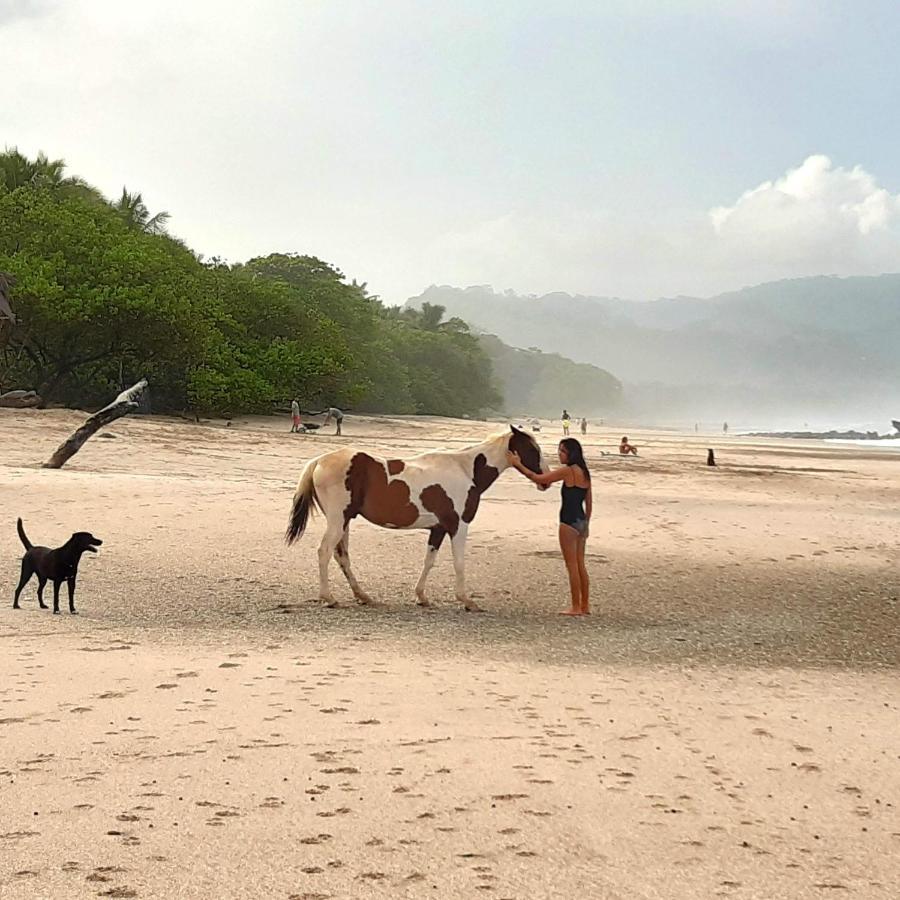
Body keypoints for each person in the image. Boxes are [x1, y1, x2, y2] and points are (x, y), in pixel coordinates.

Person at [507, 437, 592, 616]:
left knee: (572, 566)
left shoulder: (567, 471)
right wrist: (587, 524)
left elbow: (537, 478)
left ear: (570, 453)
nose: (559, 454)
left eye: (562, 451)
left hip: (568, 522)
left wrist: (517, 464)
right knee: (580, 565)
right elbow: (589, 502)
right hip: (581, 520)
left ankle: (575, 606)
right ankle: (585, 605)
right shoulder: (584, 472)